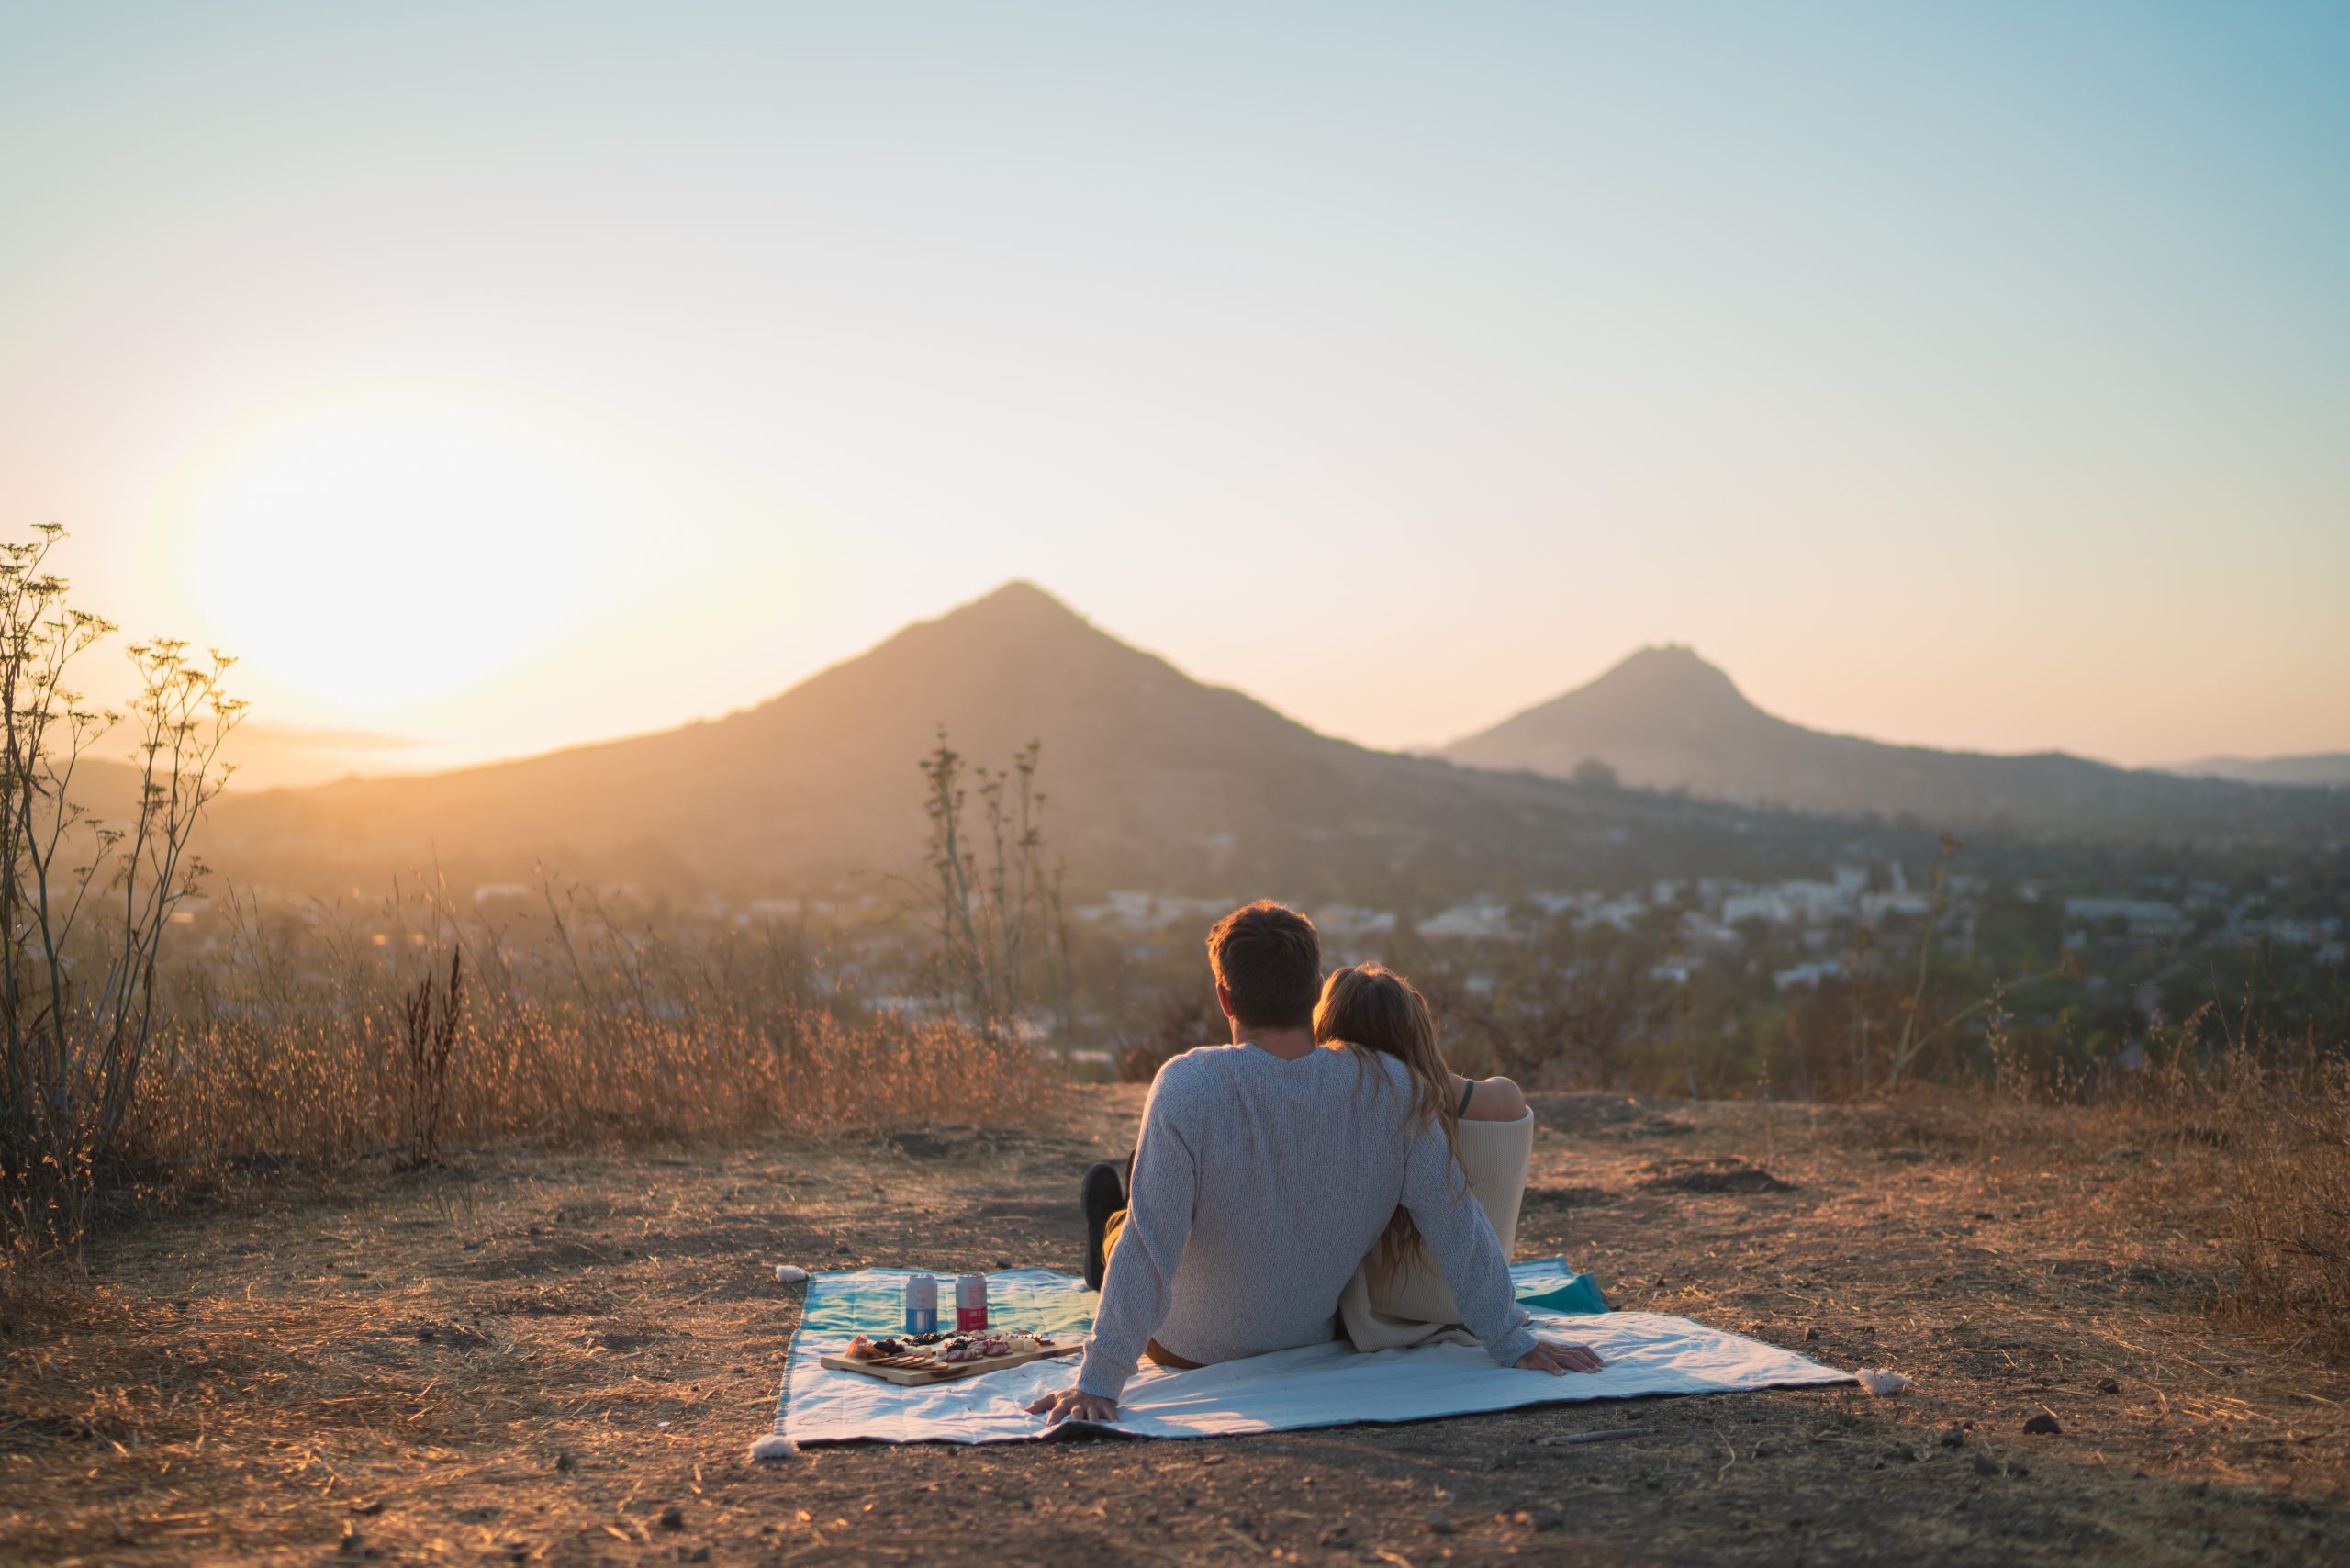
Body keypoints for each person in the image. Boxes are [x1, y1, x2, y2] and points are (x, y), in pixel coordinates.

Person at [1028, 901, 1602, 1427]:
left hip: (1186, 1349)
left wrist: (1099, 1379)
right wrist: (1510, 1337)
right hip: (1303, 1341)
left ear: (1226, 999)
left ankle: (1106, 1223)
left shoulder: (1186, 1083)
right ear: (1313, 994)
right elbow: (1457, 1219)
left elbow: (1152, 1246)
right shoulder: (1396, 1087)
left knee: (1130, 1226)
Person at [1314, 963, 1538, 1348]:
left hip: (1371, 1317)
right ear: (1420, 1007)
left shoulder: (1335, 1109)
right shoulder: (1502, 1099)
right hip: (1477, 1306)